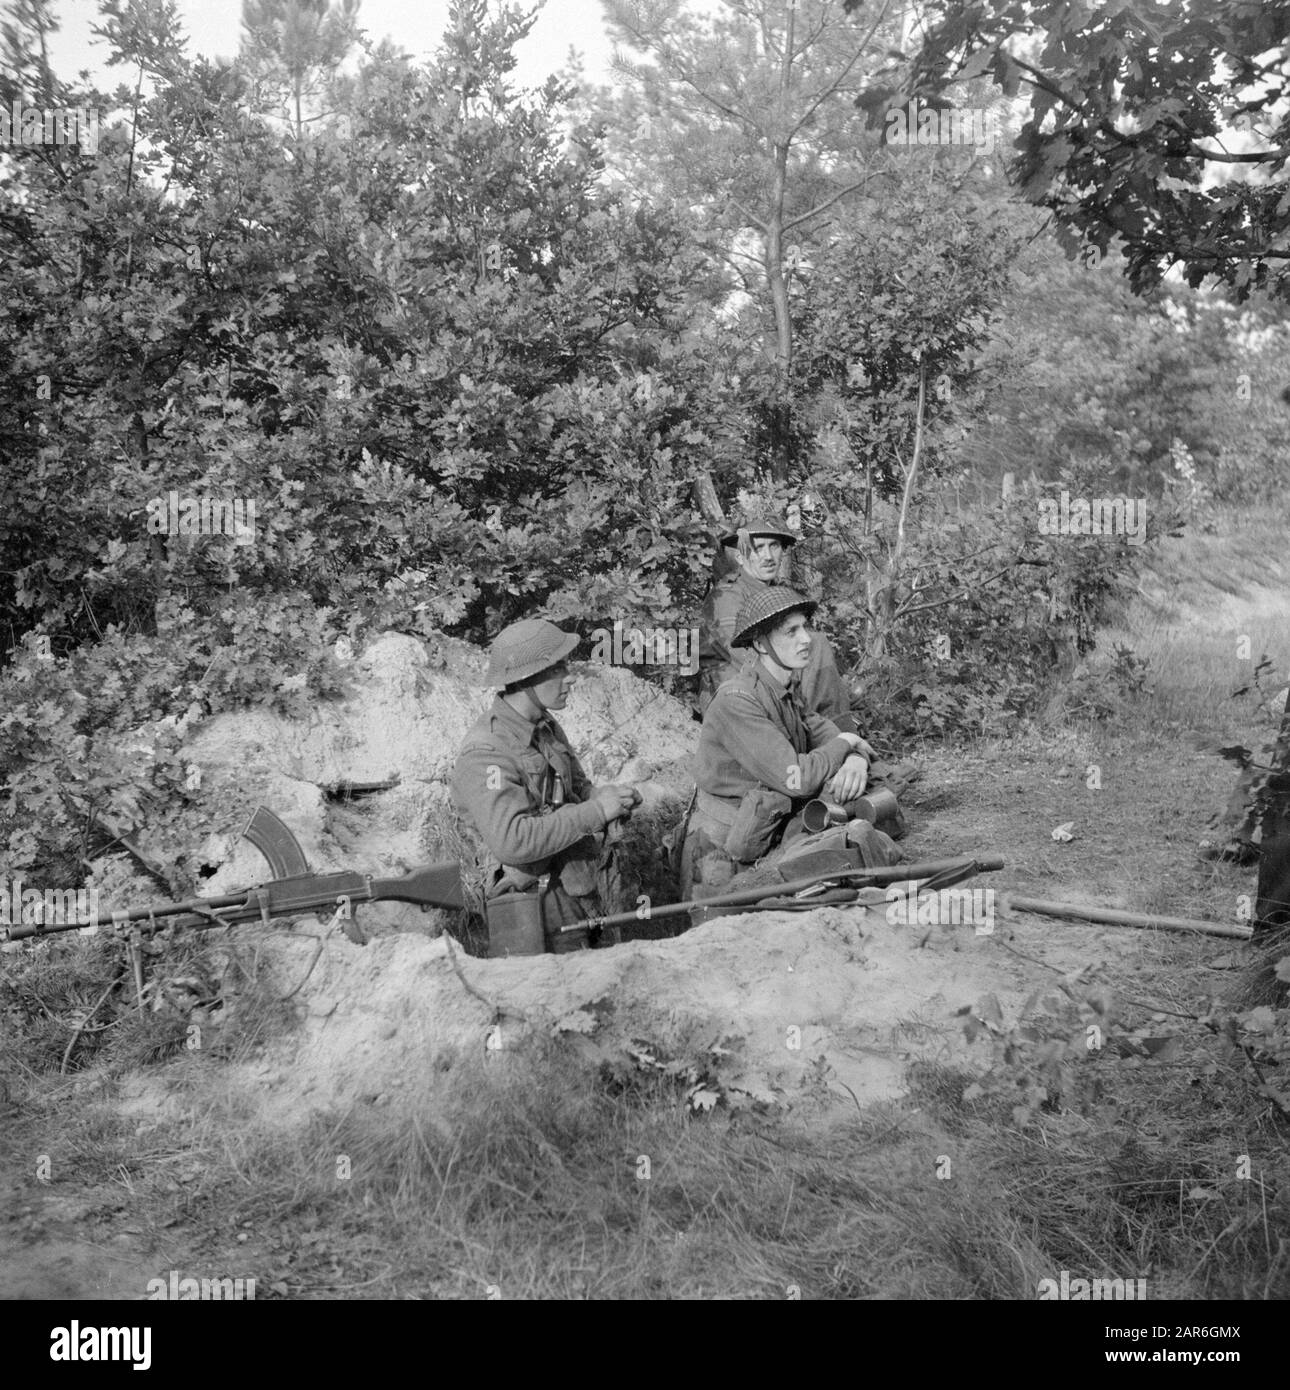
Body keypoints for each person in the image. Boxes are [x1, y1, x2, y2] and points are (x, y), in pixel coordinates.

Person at [681, 587, 901, 900]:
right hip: (719, 852)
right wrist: (848, 740)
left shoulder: (784, 691)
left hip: (765, 836)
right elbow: (796, 778)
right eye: (791, 631)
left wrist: (853, 756)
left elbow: (826, 734)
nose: (806, 639)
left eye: (805, 627)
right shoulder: (738, 699)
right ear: (760, 643)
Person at [452, 618, 640, 953]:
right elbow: (513, 841)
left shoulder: (544, 724)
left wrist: (604, 798)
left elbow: (576, 786)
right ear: (526, 679)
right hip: (531, 905)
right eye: (557, 668)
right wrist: (595, 811)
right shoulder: (485, 752)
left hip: (573, 885)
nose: (570, 677)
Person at [697, 512, 851, 721]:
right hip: (732, 694)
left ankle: (832, 732)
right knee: (814, 645)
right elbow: (743, 657)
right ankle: (824, 732)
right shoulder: (727, 596)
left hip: (765, 687)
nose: (768, 557)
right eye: (757, 548)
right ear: (741, 557)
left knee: (814, 644)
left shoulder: (773, 594)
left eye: (774, 546)